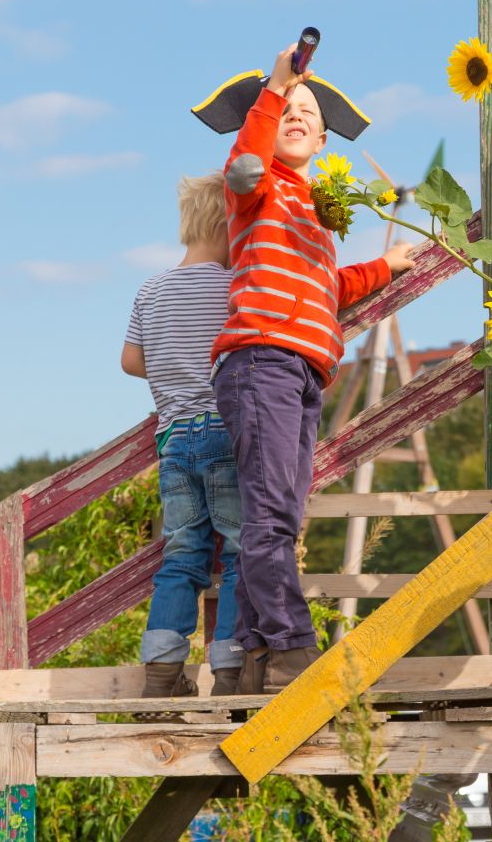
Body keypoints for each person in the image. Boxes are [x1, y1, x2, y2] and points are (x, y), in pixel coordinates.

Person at [206, 42, 415, 692]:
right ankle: (294, 649)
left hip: (304, 370)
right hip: (261, 358)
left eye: (307, 114)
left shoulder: (316, 214)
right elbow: (241, 165)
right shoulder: (258, 186)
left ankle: (253, 657)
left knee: (282, 518)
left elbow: (329, 284)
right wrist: (275, 87)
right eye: (287, 111)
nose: (296, 116)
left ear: (324, 139)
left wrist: (386, 268)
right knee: (269, 514)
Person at [121, 172, 245, 712]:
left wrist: (171, 371)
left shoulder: (150, 289)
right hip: (224, 431)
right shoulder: (234, 286)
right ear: (230, 227)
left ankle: (163, 670)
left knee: (182, 555)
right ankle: (230, 670)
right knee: (240, 551)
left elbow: (130, 361)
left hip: (173, 440)